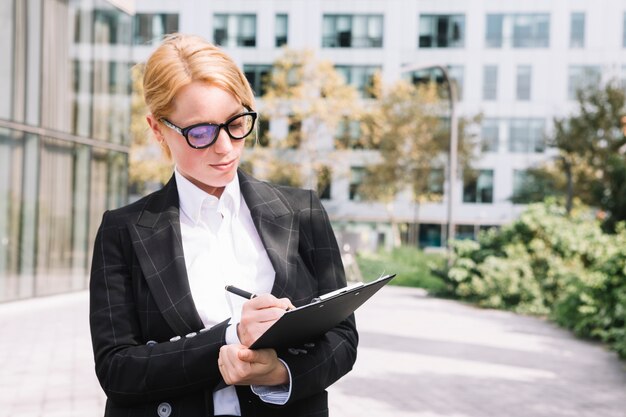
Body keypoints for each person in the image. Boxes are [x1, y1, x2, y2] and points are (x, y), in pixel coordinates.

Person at [89, 33, 358, 417]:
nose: (225, 147)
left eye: (236, 123)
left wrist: (280, 373)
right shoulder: (124, 230)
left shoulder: (302, 212)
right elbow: (117, 369)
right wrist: (230, 337)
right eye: (200, 132)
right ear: (156, 128)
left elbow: (342, 338)